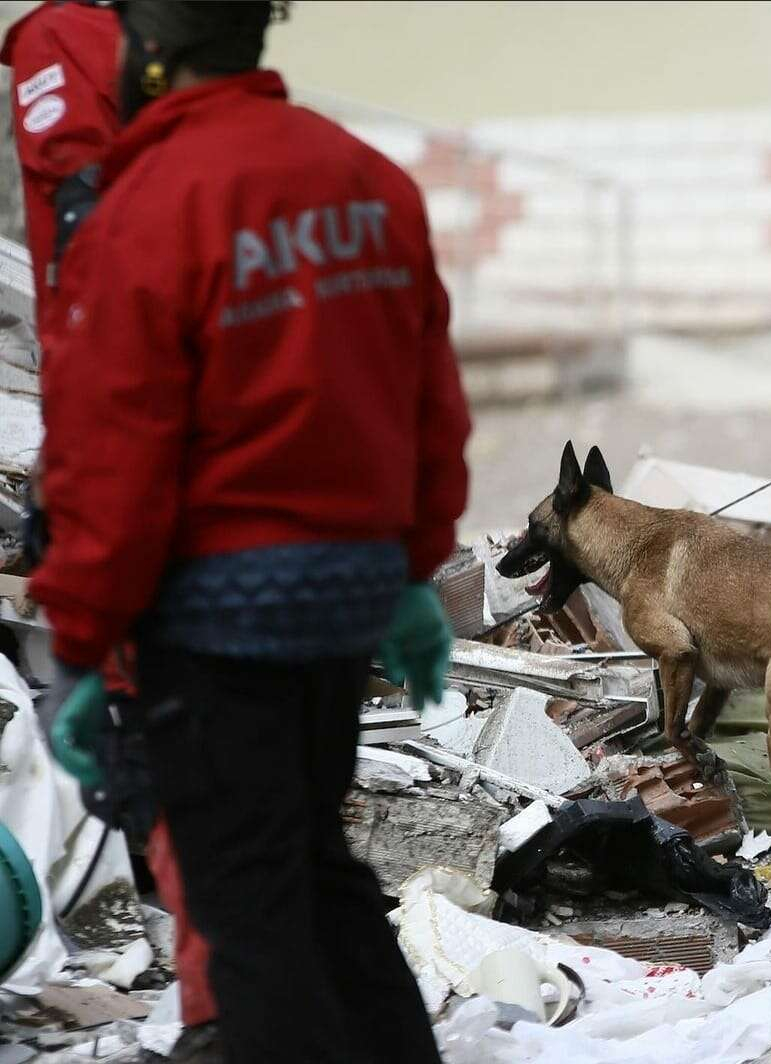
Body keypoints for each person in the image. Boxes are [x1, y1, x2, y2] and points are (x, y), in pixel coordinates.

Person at [30, 3, 470, 1062]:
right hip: (344, 600)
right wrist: (411, 573)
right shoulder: (367, 179)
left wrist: (85, 640)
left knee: (248, 910)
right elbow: (430, 406)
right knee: (315, 864)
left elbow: (113, 453)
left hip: (217, 613)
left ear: (145, 50)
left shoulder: (145, 206)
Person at [0, 6, 220, 1060]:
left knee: (143, 722)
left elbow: (93, 217)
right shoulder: (103, 42)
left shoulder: (62, 39)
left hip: (129, 430)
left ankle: (215, 997)